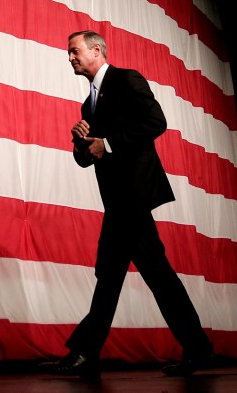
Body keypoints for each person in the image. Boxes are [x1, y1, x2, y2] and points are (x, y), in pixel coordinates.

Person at [40, 30, 215, 379]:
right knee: (133, 273)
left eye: (74, 51)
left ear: (96, 50)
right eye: (68, 53)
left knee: (121, 274)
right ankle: (197, 349)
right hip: (119, 200)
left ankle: (85, 353)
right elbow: (88, 158)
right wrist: (81, 143)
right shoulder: (87, 104)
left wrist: (108, 142)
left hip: (133, 197)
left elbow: (156, 122)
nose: (70, 57)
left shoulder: (126, 79)